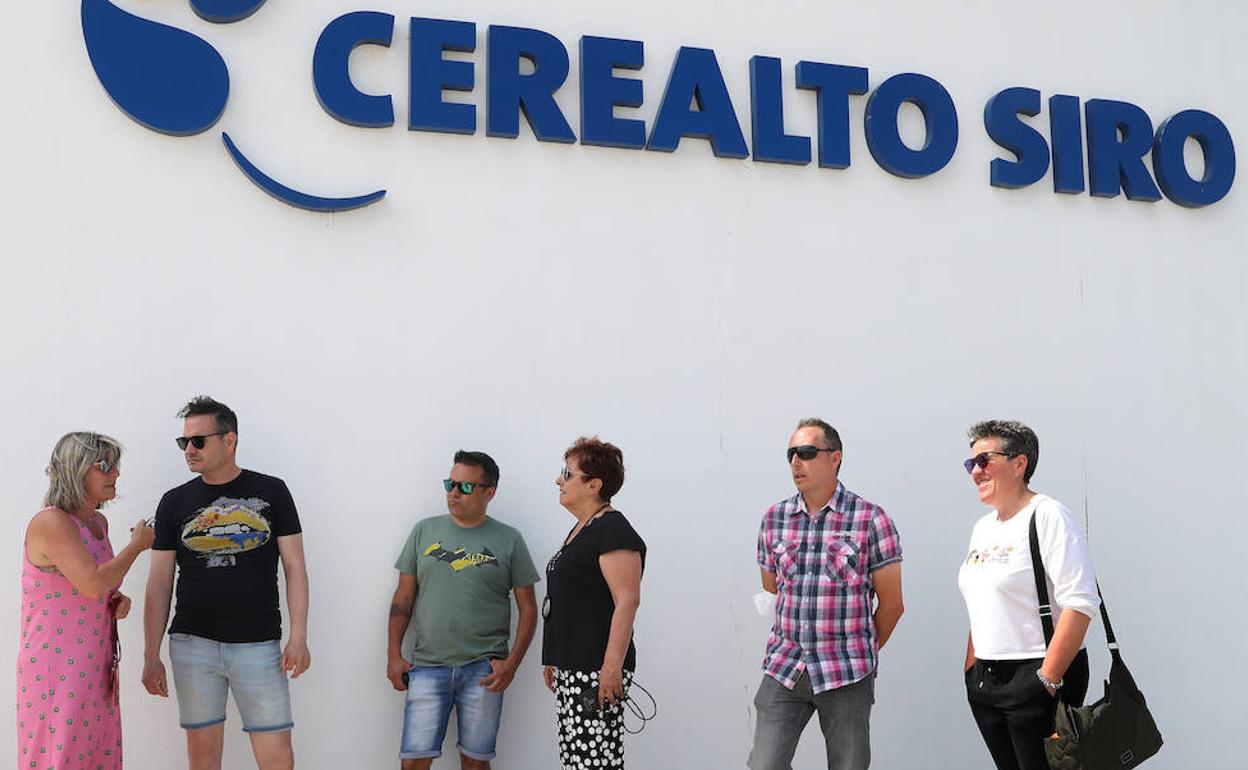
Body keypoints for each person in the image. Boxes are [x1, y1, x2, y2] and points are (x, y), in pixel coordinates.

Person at [142, 396, 310, 770]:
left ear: (229, 440)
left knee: (278, 758)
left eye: (198, 441)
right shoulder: (173, 502)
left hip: (259, 644)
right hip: (192, 645)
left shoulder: (273, 491)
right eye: (183, 442)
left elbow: (295, 567)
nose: (189, 450)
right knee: (202, 759)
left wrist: (299, 635)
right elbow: (158, 583)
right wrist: (150, 653)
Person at [748, 418, 904, 770]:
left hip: (846, 670)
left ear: (835, 458)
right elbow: (772, 589)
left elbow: (892, 605)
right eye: (791, 454)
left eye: (806, 453)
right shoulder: (774, 519)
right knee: (764, 763)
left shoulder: (870, 519)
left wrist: (857, 647)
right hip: (785, 665)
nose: (796, 463)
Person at [958, 420, 1099, 770]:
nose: (976, 471)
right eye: (970, 463)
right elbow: (982, 601)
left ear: (1019, 463)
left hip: (1037, 674)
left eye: (984, 460)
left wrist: (1046, 680)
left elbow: (1080, 604)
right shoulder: (983, 528)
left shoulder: (1048, 515)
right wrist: (971, 668)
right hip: (985, 680)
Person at [386, 450, 540, 770]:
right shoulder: (424, 532)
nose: (454, 493)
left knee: (475, 763)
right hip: (426, 666)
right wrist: (393, 654)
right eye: (450, 484)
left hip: (483, 670)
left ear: (489, 492)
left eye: (465, 487)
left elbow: (529, 610)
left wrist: (511, 664)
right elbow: (402, 599)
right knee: (413, 762)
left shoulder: (509, 540)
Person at [17, 432, 155, 770]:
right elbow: (92, 583)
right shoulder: (52, 522)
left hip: (95, 663)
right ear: (74, 471)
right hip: (56, 666)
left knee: (97, 753)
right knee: (59, 755)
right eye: (105, 466)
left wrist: (114, 599)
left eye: (116, 465)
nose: (116, 474)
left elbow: (94, 587)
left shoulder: (97, 523)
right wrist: (136, 547)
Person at [541, 436, 645, 770]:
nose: (559, 480)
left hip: (596, 670)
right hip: (574, 667)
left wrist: (611, 667)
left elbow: (627, 600)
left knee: (594, 762)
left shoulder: (613, 529)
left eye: (568, 474)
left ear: (594, 485)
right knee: (576, 761)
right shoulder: (584, 528)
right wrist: (554, 656)